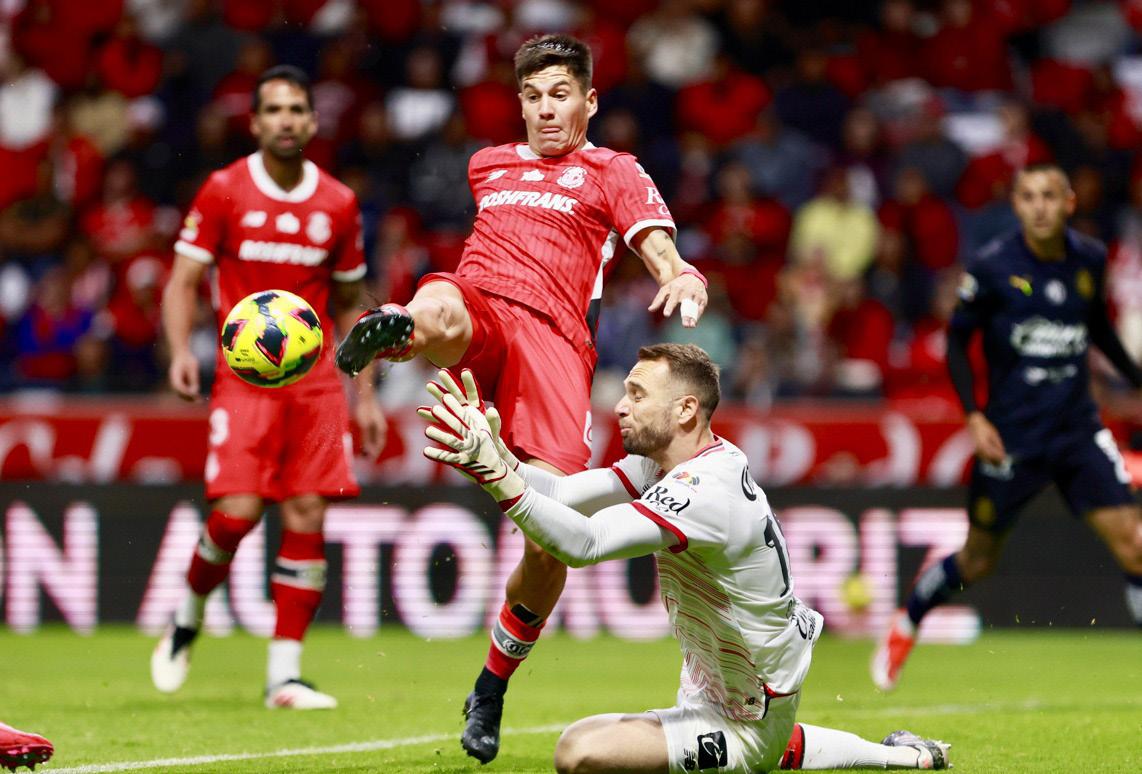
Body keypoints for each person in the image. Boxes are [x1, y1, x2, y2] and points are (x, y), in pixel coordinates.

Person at [336, 34, 709, 761]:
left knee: (551, 542)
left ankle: (491, 686)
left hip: (554, 346)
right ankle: (397, 328)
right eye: (533, 96)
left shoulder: (612, 169)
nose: (546, 109)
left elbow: (656, 244)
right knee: (442, 301)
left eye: (560, 95)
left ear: (589, 101)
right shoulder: (488, 165)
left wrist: (681, 273)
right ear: (520, 103)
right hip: (480, 305)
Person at [419, 346, 950, 773]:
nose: (620, 406)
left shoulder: (704, 490)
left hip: (745, 713)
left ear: (685, 410)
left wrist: (497, 477)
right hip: (729, 686)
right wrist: (492, 455)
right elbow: (559, 494)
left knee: (577, 752)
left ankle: (779, 752)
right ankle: (906, 757)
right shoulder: (669, 464)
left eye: (637, 394)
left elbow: (584, 544)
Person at [151, 65, 385, 709]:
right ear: (254, 122)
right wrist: (181, 349)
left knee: (308, 514)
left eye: (297, 109)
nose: (287, 119)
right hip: (244, 382)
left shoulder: (337, 202)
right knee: (237, 515)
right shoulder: (224, 190)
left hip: (315, 385)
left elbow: (349, 305)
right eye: (274, 109)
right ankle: (189, 612)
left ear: (313, 121)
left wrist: (365, 395)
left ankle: (284, 674)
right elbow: (182, 281)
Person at [872, 163, 1142, 692]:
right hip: (1013, 436)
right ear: (1016, 205)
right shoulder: (993, 267)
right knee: (978, 561)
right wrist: (973, 416)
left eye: (1049, 196)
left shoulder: (1089, 258)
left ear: (1068, 202)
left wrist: (1136, 379)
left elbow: (1098, 329)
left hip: (1077, 430)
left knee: (1134, 545)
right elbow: (956, 343)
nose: (1039, 206)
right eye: (1028, 197)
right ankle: (908, 621)